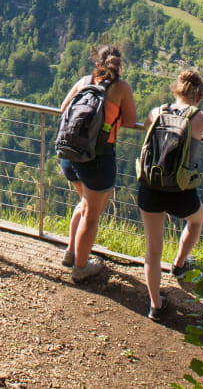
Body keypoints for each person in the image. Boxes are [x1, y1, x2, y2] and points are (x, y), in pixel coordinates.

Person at [138, 67, 203, 321]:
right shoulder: (201, 118)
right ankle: (179, 264)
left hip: (151, 185)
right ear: (199, 96)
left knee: (153, 251)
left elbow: (145, 127)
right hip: (180, 189)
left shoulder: (157, 112)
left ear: (176, 90)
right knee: (196, 219)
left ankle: (156, 305)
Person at [59, 44, 137, 283]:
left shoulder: (84, 82)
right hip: (97, 158)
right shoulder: (121, 87)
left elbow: (63, 109)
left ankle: (71, 253)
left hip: (69, 154)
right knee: (92, 216)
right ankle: (81, 268)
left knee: (84, 203)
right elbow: (132, 121)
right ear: (119, 64)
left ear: (97, 64)